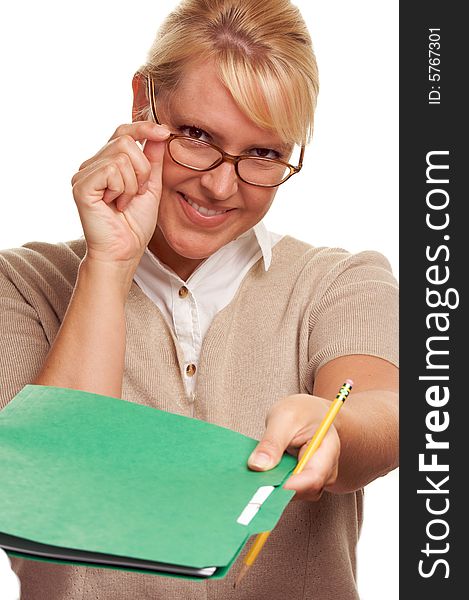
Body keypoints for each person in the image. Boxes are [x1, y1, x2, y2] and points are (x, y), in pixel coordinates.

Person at [0, 0, 398, 598]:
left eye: (262, 154)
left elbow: (388, 407)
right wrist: (109, 263)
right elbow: (54, 477)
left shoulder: (337, 281)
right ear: (144, 104)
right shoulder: (21, 286)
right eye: (196, 136)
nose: (218, 184)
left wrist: (336, 432)